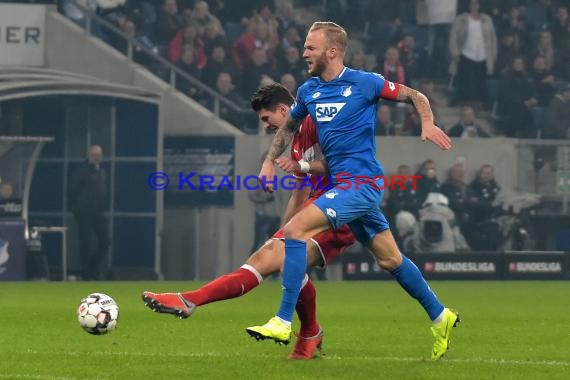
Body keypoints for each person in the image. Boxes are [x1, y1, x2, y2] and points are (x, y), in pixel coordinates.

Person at [247, 21, 458, 361]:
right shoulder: (308, 91)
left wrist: (427, 121)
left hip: (362, 184)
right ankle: (440, 315)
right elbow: (288, 127)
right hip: (344, 187)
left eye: (310, 48)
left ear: (331, 52)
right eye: (304, 47)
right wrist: (269, 162)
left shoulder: (366, 82)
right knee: (390, 258)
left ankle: (283, 321)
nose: (304, 53)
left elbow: (414, 95)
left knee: (296, 230)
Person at [142, 83, 356, 360]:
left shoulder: (319, 123)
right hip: (317, 210)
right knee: (268, 260)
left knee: (391, 262)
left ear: (283, 110)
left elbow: (342, 165)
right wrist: (282, 235)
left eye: (267, 119)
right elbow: (300, 193)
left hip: (341, 210)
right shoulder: (297, 144)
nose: (266, 126)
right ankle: (309, 332)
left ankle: (305, 330)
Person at [68, 145, 110, 281]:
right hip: (84, 212)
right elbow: (72, 190)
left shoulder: (102, 171)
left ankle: (92, 266)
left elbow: (103, 191)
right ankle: (86, 273)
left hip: (98, 211)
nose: (96, 157)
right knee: (85, 242)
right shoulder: (81, 170)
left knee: (105, 241)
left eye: (99, 155)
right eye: (94, 155)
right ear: (89, 155)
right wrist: (74, 208)